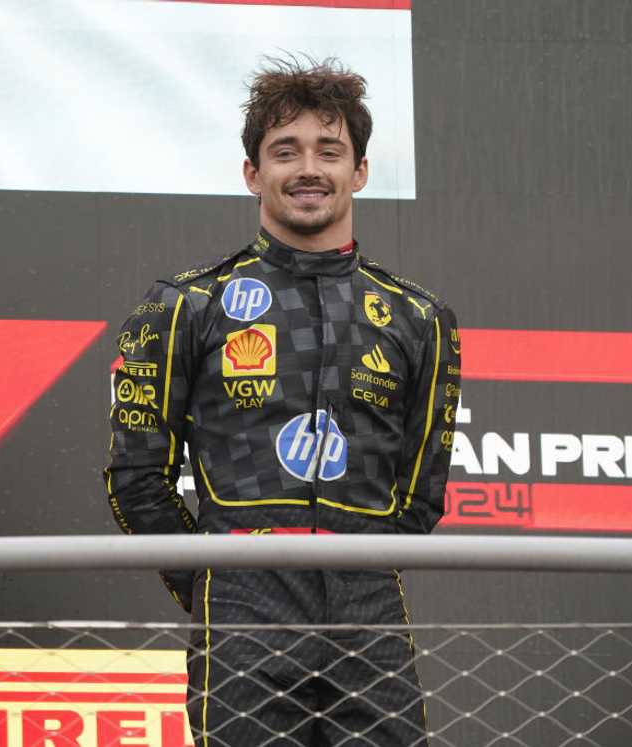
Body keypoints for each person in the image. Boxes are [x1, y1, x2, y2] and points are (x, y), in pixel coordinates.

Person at [104, 57, 460, 747]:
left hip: (368, 603)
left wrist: (351, 565)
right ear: (251, 172)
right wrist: (217, 581)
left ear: (359, 171)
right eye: (284, 151)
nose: (309, 169)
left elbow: (422, 495)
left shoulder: (421, 318)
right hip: (242, 595)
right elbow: (136, 479)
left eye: (330, 151)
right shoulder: (186, 304)